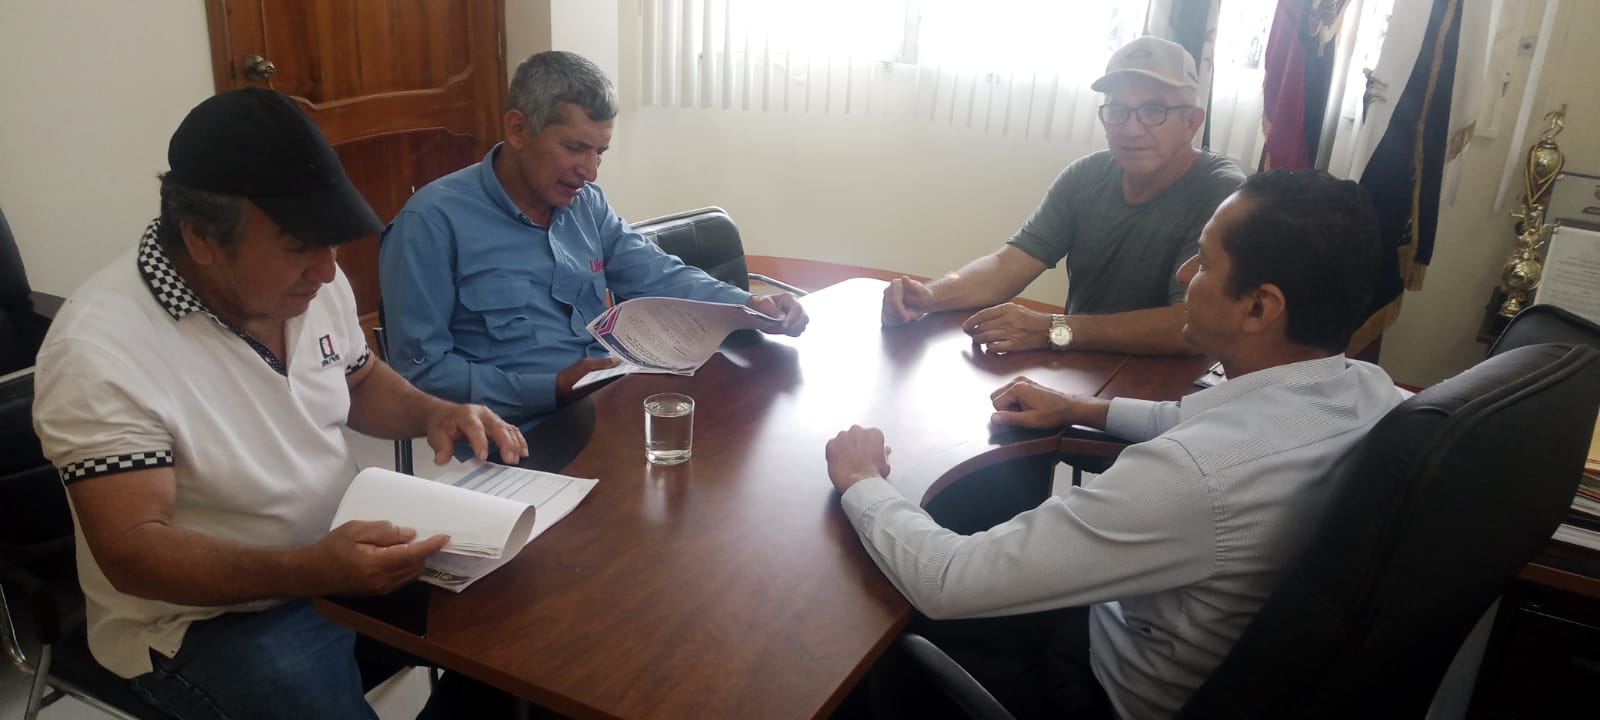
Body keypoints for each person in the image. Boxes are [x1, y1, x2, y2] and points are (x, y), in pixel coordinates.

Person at [827, 169, 1403, 718]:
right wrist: (1082, 409)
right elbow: (1197, 419)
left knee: (868, 628)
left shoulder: (1191, 476)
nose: (1185, 273)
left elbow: (946, 581)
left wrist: (862, 480)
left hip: (1091, 687)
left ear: (1259, 306)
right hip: (1204, 652)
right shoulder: (1370, 390)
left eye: (1204, 261)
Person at [32, 87, 528, 719]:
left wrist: (434, 411)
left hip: (338, 560)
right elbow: (134, 552)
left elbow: (358, 381)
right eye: (298, 246)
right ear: (202, 238)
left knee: (520, 628)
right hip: (204, 623)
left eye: (331, 243)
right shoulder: (98, 350)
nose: (327, 271)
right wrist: (309, 568)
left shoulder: (307, 282)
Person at [380, 51, 809, 429]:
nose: (590, 171)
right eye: (575, 148)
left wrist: (747, 305)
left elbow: (657, 274)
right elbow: (420, 372)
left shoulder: (585, 203)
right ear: (518, 129)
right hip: (514, 433)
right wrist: (549, 388)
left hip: (609, 403)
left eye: (600, 152)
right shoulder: (431, 223)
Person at [881, 35, 1245, 357]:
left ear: (1191, 122)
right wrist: (929, 296)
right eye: (1118, 110)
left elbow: (1192, 325)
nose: (1132, 129)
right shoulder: (1086, 176)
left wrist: (1053, 330)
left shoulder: (1223, 193)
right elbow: (1008, 265)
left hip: (1170, 382)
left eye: (1154, 110)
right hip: (1080, 359)